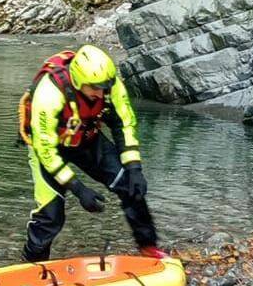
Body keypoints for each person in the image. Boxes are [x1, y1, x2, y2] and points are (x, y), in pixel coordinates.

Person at [19, 45, 163, 262]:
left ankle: (148, 246)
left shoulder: (111, 86)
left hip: (86, 139)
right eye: (95, 88)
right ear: (78, 82)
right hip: (48, 147)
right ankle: (32, 263)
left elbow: (124, 124)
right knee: (51, 214)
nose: (101, 93)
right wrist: (78, 189)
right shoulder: (49, 93)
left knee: (131, 187)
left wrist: (134, 168)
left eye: (105, 87)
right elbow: (45, 149)